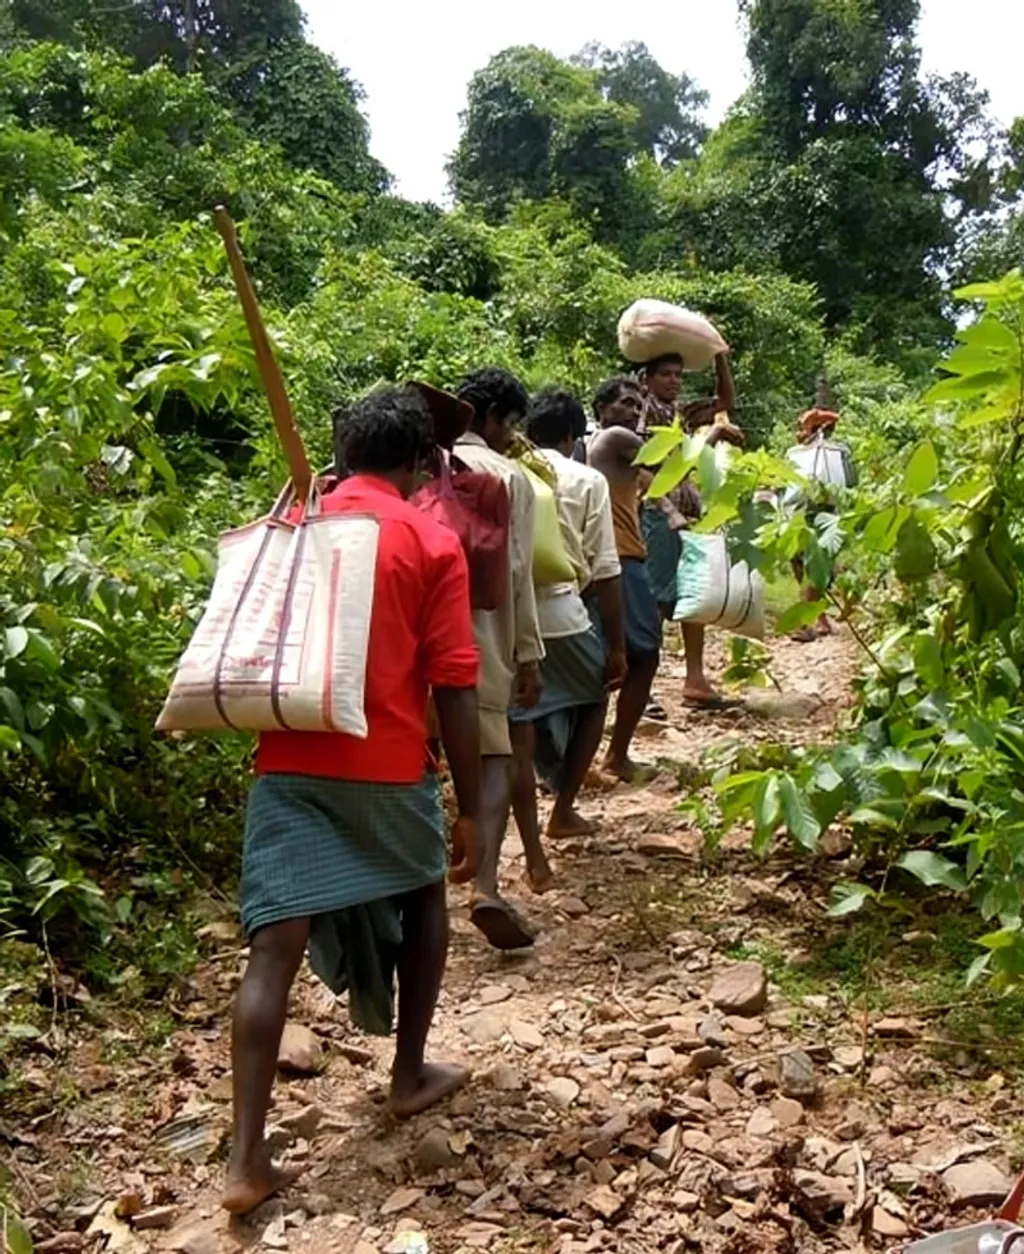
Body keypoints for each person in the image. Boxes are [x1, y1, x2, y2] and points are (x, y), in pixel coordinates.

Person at [223, 387, 482, 1216]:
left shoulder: (293, 526)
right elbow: (455, 684)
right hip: (388, 765)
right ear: (416, 465)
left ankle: (245, 1159)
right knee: (425, 894)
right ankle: (408, 1075)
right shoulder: (429, 538)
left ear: (339, 459)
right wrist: (473, 806)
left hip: (288, 760)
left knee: (273, 948)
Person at [508, 389, 627, 891]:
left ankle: (533, 853)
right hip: (562, 612)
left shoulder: (504, 472)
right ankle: (564, 809)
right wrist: (617, 645)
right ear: (575, 438)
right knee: (595, 695)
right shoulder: (586, 478)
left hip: (508, 618)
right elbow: (605, 566)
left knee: (520, 724)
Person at [454, 367, 545, 950]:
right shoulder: (508, 476)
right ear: (489, 417)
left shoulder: (414, 460)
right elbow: (517, 570)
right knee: (495, 759)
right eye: (510, 423)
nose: (514, 436)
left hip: (407, 635)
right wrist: (529, 653)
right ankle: (484, 886)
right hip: (481, 634)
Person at [638, 350, 743, 711]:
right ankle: (643, 685)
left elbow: (725, 402)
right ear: (647, 378)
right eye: (665, 374)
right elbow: (639, 467)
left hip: (686, 512)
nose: (674, 380)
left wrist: (720, 359)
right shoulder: (643, 410)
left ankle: (694, 679)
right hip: (657, 515)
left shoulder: (679, 413)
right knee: (652, 598)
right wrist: (664, 507)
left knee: (693, 593)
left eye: (678, 375)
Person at [586, 377, 663, 783]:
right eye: (625, 403)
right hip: (622, 561)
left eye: (638, 405)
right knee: (644, 654)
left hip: (611, 559)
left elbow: (657, 481)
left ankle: (584, 760)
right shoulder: (615, 438)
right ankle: (615, 756)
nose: (634, 411)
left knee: (609, 660)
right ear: (602, 409)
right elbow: (672, 461)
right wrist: (715, 431)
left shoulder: (609, 451)